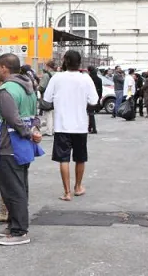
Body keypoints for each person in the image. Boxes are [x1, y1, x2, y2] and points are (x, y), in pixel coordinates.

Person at [0, 53, 43, 246]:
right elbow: (34, 116)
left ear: (4, 68)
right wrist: (33, 131)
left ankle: (19, 231)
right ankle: (12, 224)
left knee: (12, 190)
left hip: (9, 146)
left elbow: (13, 119)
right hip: (23, 147)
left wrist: (27, 132)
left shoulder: (6, 91)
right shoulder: (29, 88)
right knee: (19, 187)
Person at [43, 51, 98, 202]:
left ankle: (67, 192)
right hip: (80, 125)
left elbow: (46, 99)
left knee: (64, 159)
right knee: (80, 158)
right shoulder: (85, 79)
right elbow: (94, 100)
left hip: (62, 125)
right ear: (80, 62)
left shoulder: (57, 78)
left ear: (64, 61)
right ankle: (78, 187)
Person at [39, 60, 57, 135]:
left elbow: (42, 87)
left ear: (48, 67)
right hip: (56, 96)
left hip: (48, 96)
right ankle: (54, 129)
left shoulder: (46, 75)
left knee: (48, 113)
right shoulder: (57, 74)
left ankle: (49, 131)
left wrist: (38, 88)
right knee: (54, 114)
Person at [87, 66, 102, 134]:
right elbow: (101, 90)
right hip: (96, 97)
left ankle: (93, 129)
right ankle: (90, 127)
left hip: (89, 97)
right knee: (91, 113)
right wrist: (99, 97)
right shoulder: (99, 79)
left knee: (90, 113)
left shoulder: (89, 78)